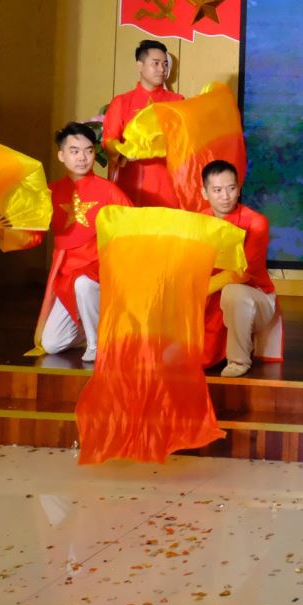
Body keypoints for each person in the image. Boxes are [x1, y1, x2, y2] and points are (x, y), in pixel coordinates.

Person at [0, 122, 131, 363]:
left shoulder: (110, 192)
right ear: (61, 155)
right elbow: (33, 233)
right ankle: (91, 328)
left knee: (84, 284)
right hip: (65, 276)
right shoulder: (50, 193)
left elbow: (132, 231)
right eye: (74, 151)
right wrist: (0, 229)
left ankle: (97, 344)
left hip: (100, 273)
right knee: (52, 343)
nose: (82, 158)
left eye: (88, 151)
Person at [199, 160, 278, 378]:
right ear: (205, 192)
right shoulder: (199, 221)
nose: (225, 196)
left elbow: (243, 272)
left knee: (232, 292)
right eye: (217, 190)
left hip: (254, 295)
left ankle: (238, 360)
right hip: (212, 293)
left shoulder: (256, 223)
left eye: (231, 188)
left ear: (239, 189)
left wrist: (202, 289)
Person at [102, 40, 184, 207]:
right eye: (156, 63)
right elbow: (108, 140)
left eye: (165, 64)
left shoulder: (177, 101)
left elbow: (184, 141)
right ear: (139, 66)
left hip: (167, 183)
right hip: (130, 181)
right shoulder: (121, 102)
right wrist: (124, 151)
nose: (162, 69)